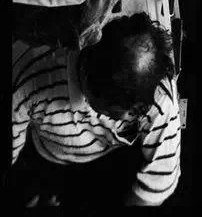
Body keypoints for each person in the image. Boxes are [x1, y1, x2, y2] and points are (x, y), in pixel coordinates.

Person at [11, 12, 181, 209]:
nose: (136, 116)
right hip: (47, 157)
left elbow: (157, 185)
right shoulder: (28, 77)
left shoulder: (157, 92)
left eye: (140, 109)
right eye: (123, 109)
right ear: (88, 84)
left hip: (111, 164)